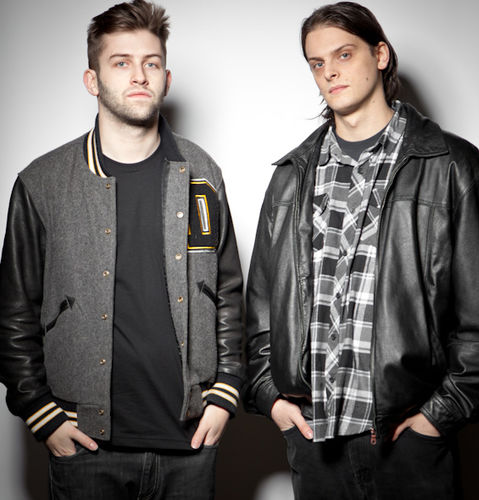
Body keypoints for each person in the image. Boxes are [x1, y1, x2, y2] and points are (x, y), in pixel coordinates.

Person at [245, 2, 479, 499]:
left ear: (380, 55)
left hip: (411, 443)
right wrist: (273, 401)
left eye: (344, 54)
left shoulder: (451, 165)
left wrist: (438, 418)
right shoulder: (291, 178)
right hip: (315, 442)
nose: (330, 71)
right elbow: (260, 312)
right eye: (317, 63)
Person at [0, 1, 243, 498]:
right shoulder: (42, 183)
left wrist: (225, 394)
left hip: (190, 440)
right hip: (86, 447)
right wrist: (41, 413)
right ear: (92, 80)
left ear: (166, 79)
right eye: (121, 62)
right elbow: (13, 312)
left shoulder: (201, 173)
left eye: (151, 63)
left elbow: (227, 292)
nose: (139, 75)